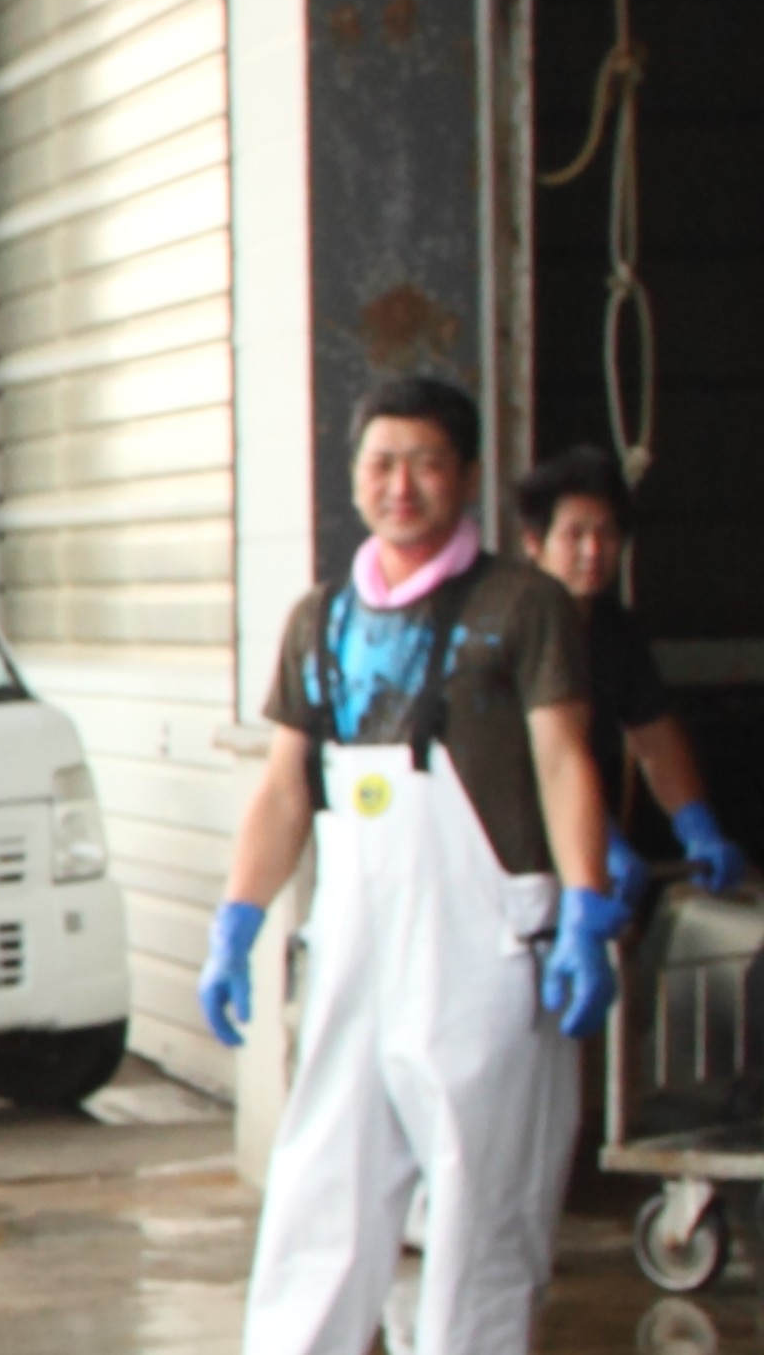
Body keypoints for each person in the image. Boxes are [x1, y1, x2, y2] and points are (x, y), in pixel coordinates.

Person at [198, 375, 615, 1355]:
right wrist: (237, 921)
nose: (402, 485)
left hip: (488, 955)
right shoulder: (321, 621)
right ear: (354, 477)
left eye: (427, 463)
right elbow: (285, 788)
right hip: (355, 949)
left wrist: (588, 908)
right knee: (319, 1193)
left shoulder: (525, 606)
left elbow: (564, 762)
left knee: (482, 1204)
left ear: (467, 476)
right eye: (381, 463)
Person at [513, 446, 747, 912]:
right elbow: (534, 761)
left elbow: (655, 739)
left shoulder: (614, 630)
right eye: (575, 535)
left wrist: (696, 826)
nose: (593, 551)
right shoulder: (510, 624)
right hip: (510, 862)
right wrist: (600, 840)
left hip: (582, 870)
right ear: (534, 543)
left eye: (607, 534)